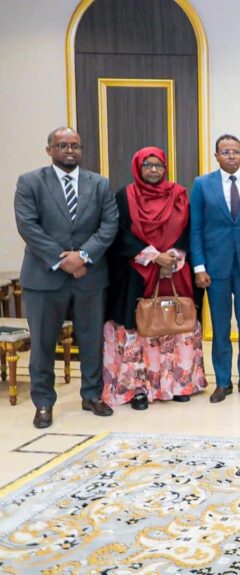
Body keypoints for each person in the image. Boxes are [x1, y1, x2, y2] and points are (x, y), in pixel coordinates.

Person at [15, 127, 118, 428]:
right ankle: (44, 403)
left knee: (91, 341)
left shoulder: (99, 184)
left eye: (75, 145)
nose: (69, 150)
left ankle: (92, 395)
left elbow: (109, 225)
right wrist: (64, 261)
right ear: (49, 150)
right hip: (44, 279)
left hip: (90, 277)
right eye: (62, 145)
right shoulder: (30, 182)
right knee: (44, 345)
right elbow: (28, 226)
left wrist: (83, 257)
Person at [102, 146, 207, 410]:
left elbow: (188, 229)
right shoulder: (124, 196)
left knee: (176, 326)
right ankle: (138, 389)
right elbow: (120, 233)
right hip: (137, 273)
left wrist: (170, 258)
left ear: (165, 168)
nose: (153, 170)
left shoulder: (179, 194)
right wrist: (152, 257)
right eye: (147, 165)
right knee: (139, 330)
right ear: (138, 167)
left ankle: (178, 385)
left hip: (174, 270)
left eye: (158, 165)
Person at [190, 134, 240, 403]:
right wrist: (199, 266)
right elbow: (196, 228)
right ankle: (222, 382)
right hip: (215, 269)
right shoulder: (202, 184)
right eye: (226, 152)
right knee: (221, 328)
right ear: (216, 156)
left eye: (236, 151)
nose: (231, 156)